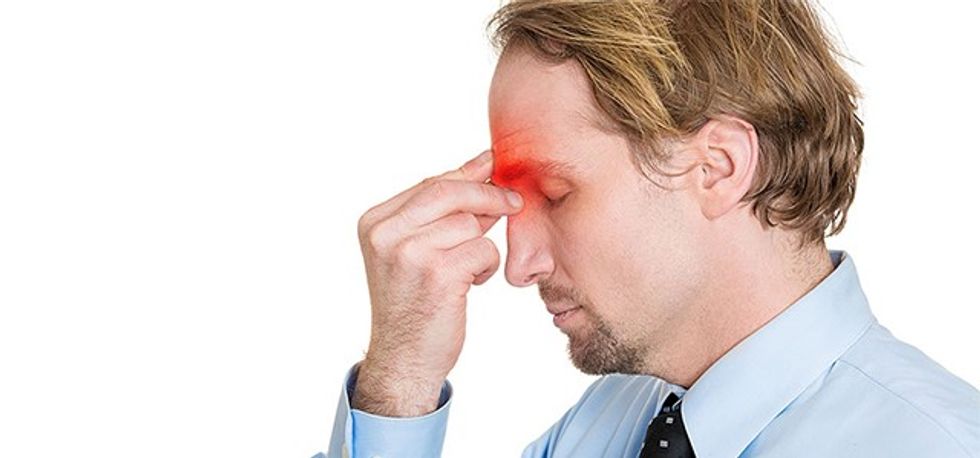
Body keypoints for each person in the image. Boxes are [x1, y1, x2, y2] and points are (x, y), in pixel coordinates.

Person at [319, 1, 980, 456]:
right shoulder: (608, 425)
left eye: (556, 192)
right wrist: (401, 378)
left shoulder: (936, 446)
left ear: (719, 167)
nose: (516, 266)